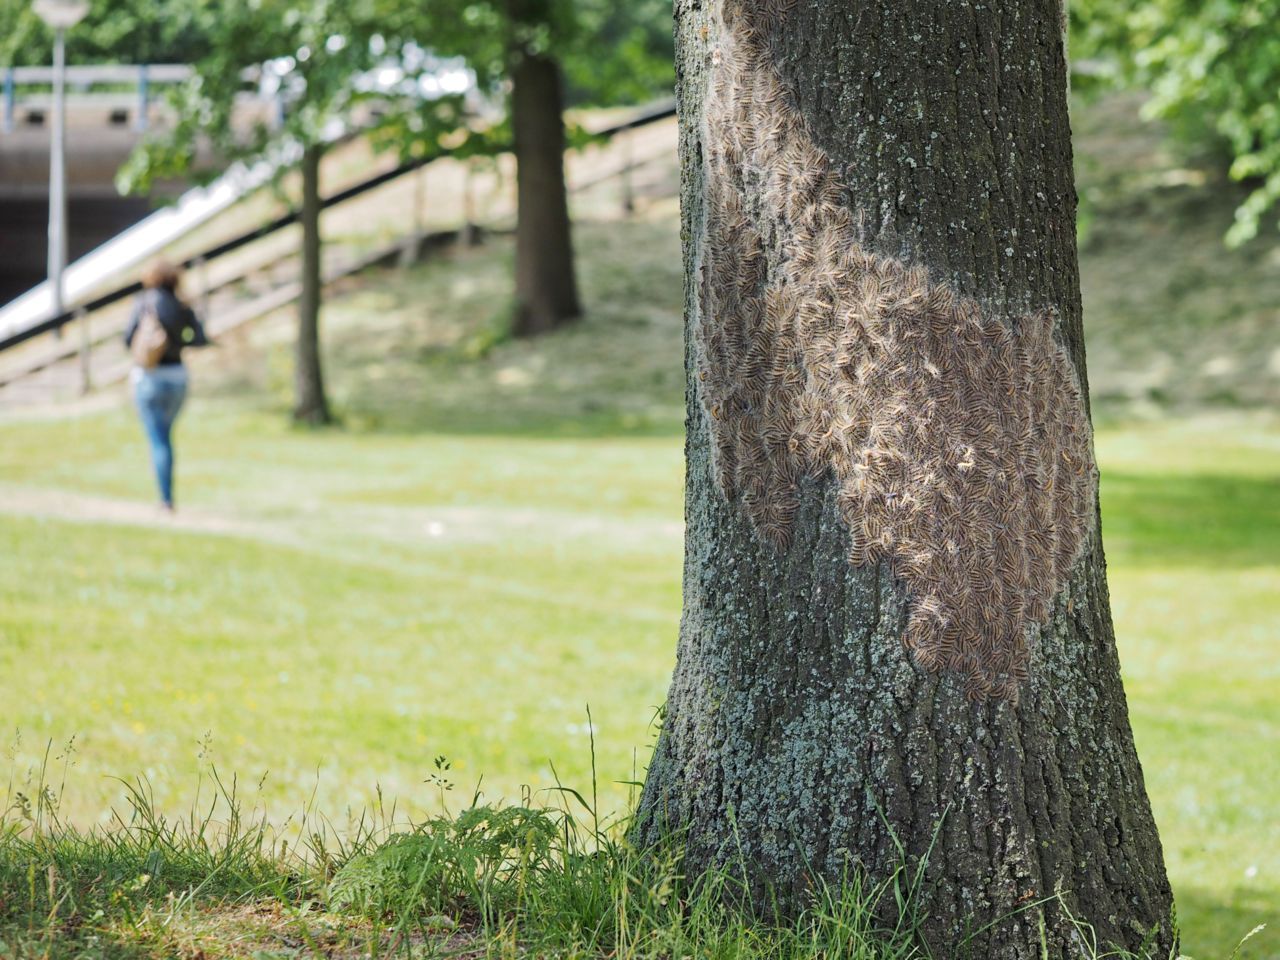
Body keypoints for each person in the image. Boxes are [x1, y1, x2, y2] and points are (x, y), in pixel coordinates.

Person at [123, 259, 210, 512]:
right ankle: (166, 497)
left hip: (149, 377)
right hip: (177, 377)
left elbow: (127, 338)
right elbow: (199, 338)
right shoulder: (182, 305)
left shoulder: (142, 302)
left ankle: (165, 500)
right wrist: (177, 343)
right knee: (166, 436)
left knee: (158, 439)